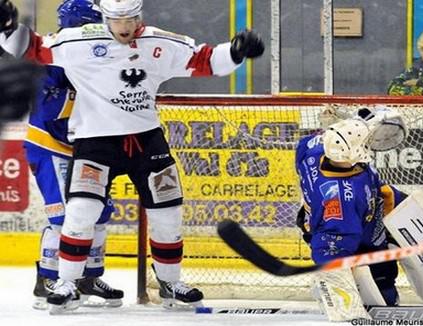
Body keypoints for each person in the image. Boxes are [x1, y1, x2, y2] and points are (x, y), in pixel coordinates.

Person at [0, 0, 264, 313]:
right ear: (105, 18)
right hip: (95, 143)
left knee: (168, 214)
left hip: (147, 143)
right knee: (81, 211)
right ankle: (67, 283)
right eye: (116, 19)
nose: (123, 27)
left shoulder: (159, 41)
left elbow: (204, 60)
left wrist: (236, 50)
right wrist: (7, 28)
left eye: (129, 19)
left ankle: (169, 282)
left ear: (139, 16)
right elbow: (33, 48)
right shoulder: (80, 41)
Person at [26, 0, 124, 310]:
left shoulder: (96, 56)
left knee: (97, 212)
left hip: (87, 146)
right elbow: (55, 109)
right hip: (51, 145)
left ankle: (86, 278)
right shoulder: (52, 57)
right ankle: (48, 280)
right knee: (65, 217)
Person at [294, 109, 408, 311]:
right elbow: (330, 243)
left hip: (363, 217)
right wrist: (335, 277)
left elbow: (310, 142)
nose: (367, 144)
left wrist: (348, 125)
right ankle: (331, 288)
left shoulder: (315, 150)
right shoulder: (339, 198)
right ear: (355, 151)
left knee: (380, 247)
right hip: (346, 230)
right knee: (382, 293)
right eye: (362, 143)